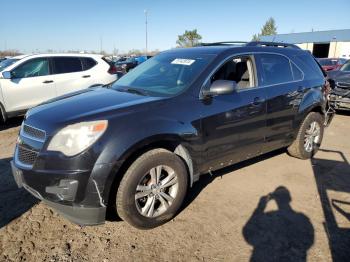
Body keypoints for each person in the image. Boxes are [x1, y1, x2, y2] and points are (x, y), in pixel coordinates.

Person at [243, 186, 314, 262]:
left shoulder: (268, 217)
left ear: (274, 199)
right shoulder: (302, 219)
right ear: (290, 199)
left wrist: (260, 207)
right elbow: (309, 241)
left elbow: (248, 233)